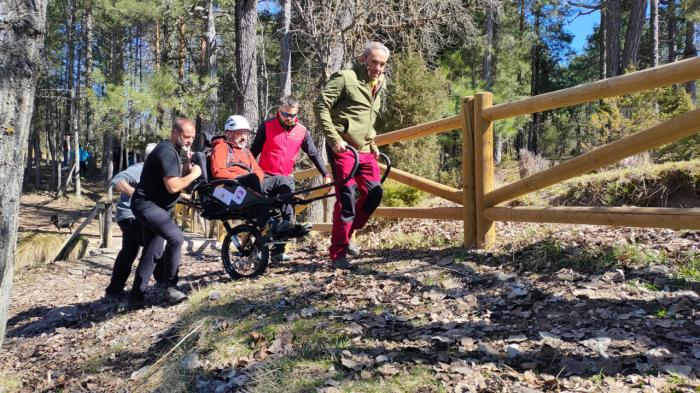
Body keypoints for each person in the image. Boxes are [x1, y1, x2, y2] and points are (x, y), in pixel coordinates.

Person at [314, 41, 390, 269]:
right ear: (363, 59)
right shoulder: (345, 78)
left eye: (382, 64)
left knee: (374, 193)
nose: (377, 67)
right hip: (343, 148)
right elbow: (320, 105)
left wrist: (373, 140)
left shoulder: (379, 82)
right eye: (374, 62)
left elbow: (367, 116)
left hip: (365, 149)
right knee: (346, 199)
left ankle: (347, 235)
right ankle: (338, 253)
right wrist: (334, 140)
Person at [128, 118, 202, 308]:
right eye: (186, 137)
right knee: (176, 237)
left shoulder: (173, 152)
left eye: (192, 137)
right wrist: (194, 175)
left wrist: (187, 166)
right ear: (175, 133)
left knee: (153, 250)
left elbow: (173, 176)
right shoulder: (167, 151)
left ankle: (136, 296)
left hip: (155, 206)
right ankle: (170, 286)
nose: (189, 141)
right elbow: (173, 186)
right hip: (147, 205)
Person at [251, 95, 332, 261]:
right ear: (278, 112)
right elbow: (253, 151)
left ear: (298, 113)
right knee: (266, 214)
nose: (289, 119)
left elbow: (313, 154)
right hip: (265, 175)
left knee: (288, 212)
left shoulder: (302, 131)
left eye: (293, 115)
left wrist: (325, 173)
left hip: (285, 177)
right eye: (286, 115)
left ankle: (278, 251)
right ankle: (257, 249)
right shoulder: (267, 126)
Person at [209, 115, 283, 236]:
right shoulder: (221, 148)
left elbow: (258, 170)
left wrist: (256, 181)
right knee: (251, 178)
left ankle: (286, 223)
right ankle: (266, 224)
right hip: (228, 189)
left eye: (246, 133)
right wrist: (240, 178)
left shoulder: (246, 151)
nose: (244, 137)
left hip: (249, 187)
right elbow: (218, 171)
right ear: (229, 133)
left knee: (281, 180)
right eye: (240, 133)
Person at [105, 143, 159, 298]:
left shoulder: (155, 172)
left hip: (134, 216)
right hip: (130, 216)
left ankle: (114, 289)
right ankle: (162, 283)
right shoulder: (140, 169)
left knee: (129, 251)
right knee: (154, 245)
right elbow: (117, 180)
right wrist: (138, 196)